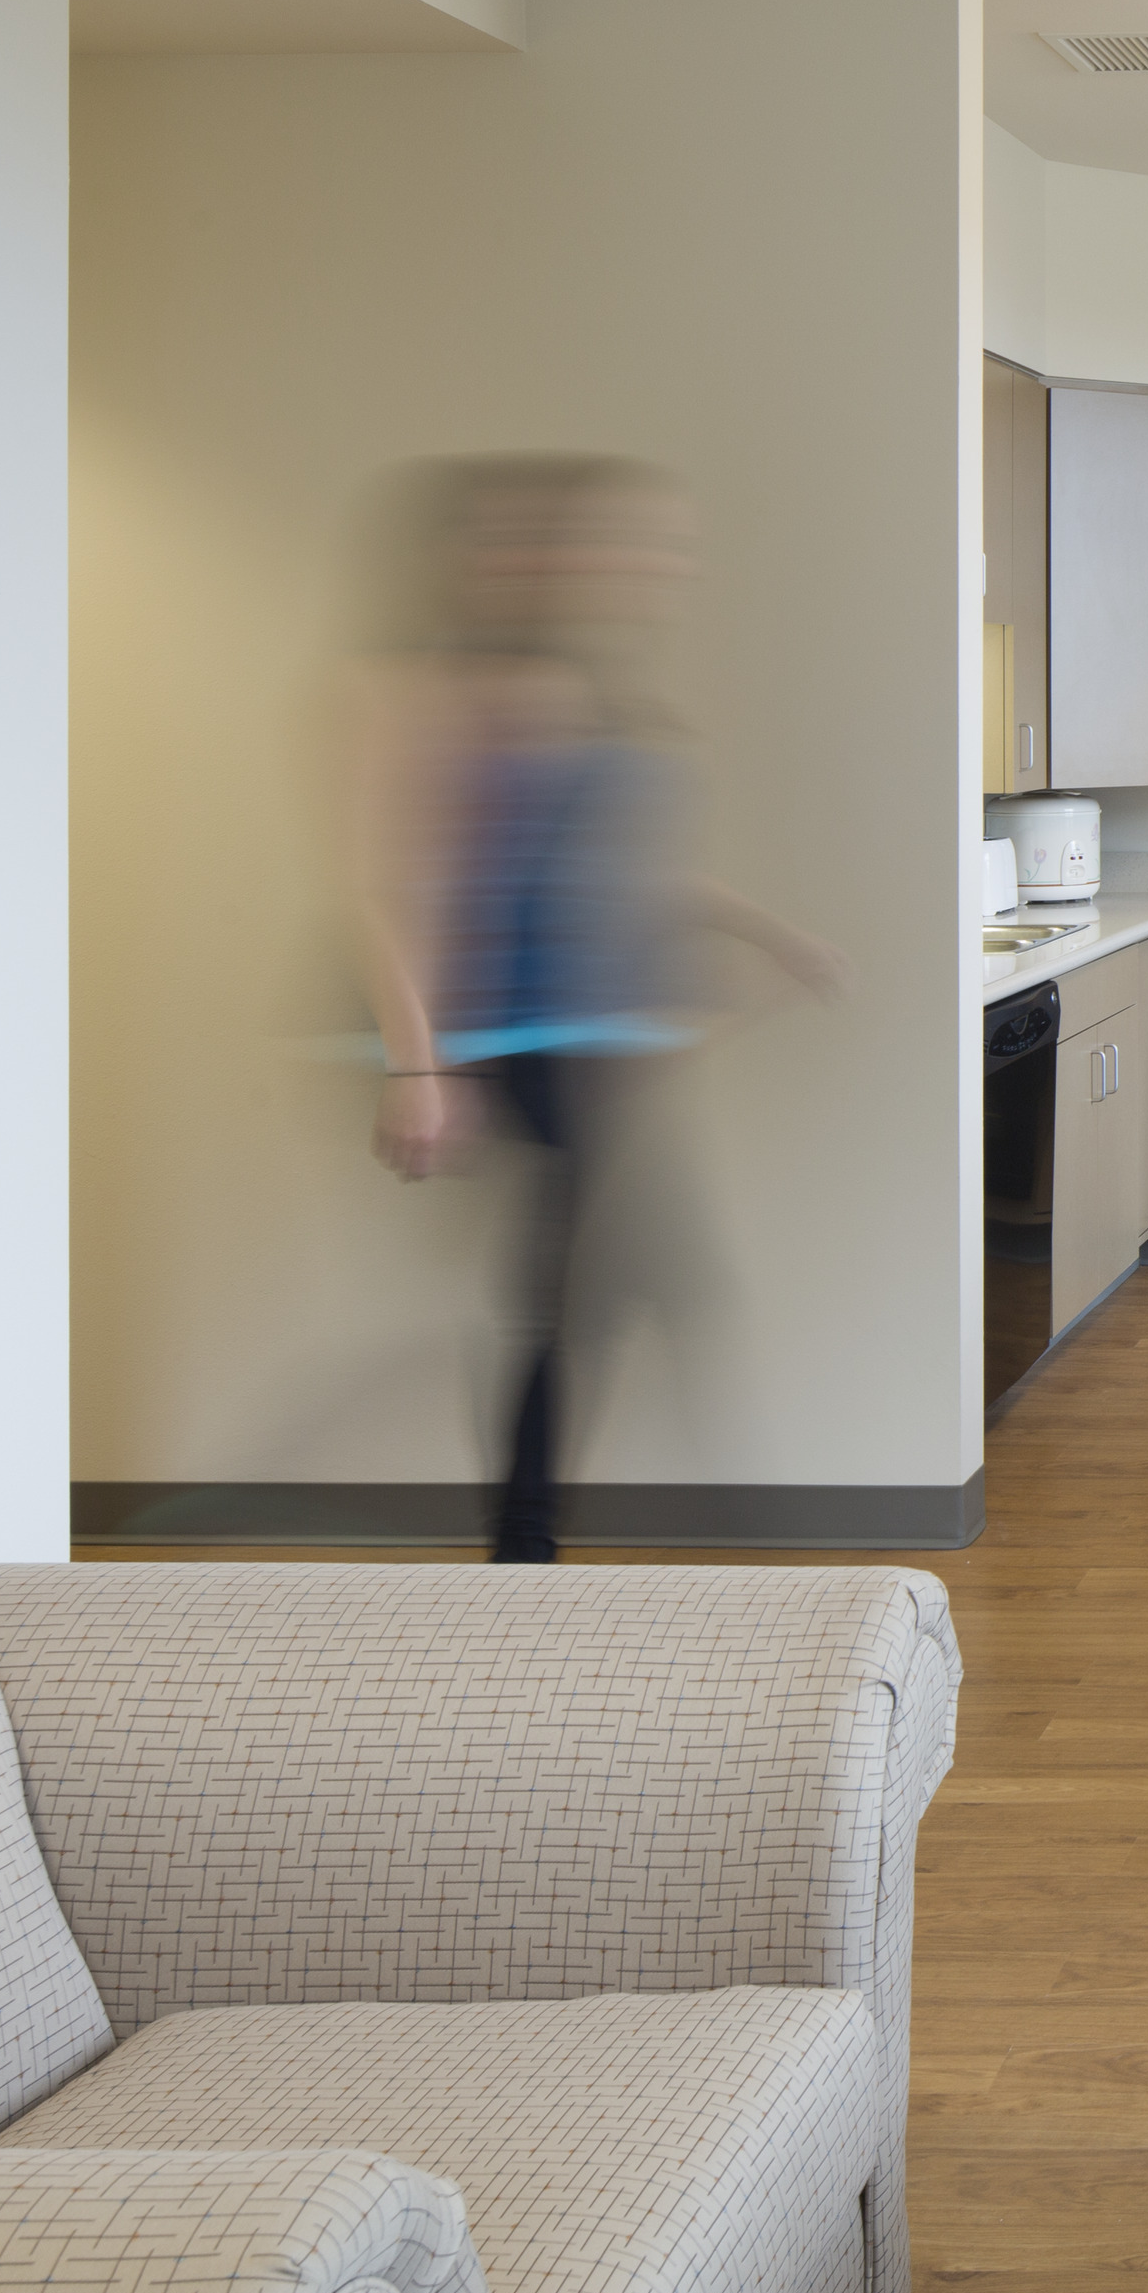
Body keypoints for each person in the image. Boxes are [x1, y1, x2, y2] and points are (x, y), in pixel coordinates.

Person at [342, 456, 842, 1560]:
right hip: (513, 1040)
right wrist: (417, 1066)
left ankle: (535, 1552)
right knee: (606, 1290)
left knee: (603, 1293)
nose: (658, 569)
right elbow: (395, 885)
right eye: (632, 546)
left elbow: (616, 880)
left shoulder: (581, 695)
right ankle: (543, 1554)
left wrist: (770, 935)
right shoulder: (435, 694)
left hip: (590, 1036)